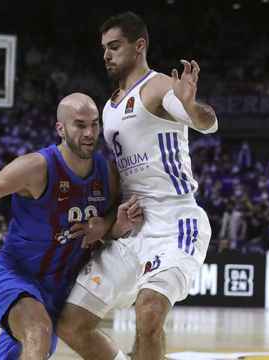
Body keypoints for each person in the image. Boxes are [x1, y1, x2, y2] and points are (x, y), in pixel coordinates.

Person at [57, 12, 219, 360]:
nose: (106, 55)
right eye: (104, 48)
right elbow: (116, 172)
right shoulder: (110, 107)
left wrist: (191, 107)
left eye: (114, 47)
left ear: (139, 46)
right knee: (71, 323)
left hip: (175, 222)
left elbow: (207, 123)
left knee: (148, 313)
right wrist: (109, 222)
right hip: (133, 228)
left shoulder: (158, 86)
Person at [0, 93, 142, 360]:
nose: (89, 132)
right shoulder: (36, 168)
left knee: (32, 345)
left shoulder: (107, 174)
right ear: (60, 128)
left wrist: (108, 225)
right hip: (16, 277)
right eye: (80, 125)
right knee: (38, 330)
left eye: (94, 124)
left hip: (62, 289)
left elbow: (111, 227)